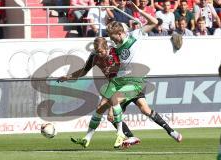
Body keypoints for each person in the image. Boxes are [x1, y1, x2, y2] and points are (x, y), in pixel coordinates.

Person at [105, 1, 182, 148]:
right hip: (124, 82)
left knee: (112, 110)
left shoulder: (135, 35)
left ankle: (130, 137)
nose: (111, 38)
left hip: (133, 81)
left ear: (120, 33)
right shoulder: (115, 47)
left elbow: (154, 21)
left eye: (112, 35)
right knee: (144, 110)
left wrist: (137, 10)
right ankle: (172, 132)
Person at [57, 37, 141, 148]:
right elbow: (83, 71)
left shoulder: (115, 53)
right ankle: (86, 139)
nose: (98, 54)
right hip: (113, 84)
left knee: (113, 105)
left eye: (100, 51)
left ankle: (120, 133)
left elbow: (126, 68)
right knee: (100, 108)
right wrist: (68, 77)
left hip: (124, 82)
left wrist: (111, 106)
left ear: (106, 48)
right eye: (96, 51)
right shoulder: (94, 56)